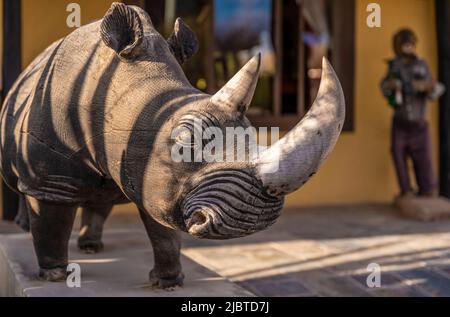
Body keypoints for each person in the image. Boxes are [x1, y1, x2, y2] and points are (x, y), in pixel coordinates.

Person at [381, 28, 445, 198]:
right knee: (398, 155)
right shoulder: (394, 65)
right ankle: (406, 190)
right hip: (400, 122)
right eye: (404, 45)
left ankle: (428, 189)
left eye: (410, 44)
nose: (407, 48)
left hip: (419, 123)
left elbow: (436, 89)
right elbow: (384, 87)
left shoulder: (421, 64)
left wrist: (427, 87)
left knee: (424, 159)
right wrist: (390, 87)